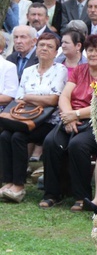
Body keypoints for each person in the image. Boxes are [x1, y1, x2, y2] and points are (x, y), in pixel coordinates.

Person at [40, 33, 97, 211]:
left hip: (95, 123)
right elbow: (64, 95)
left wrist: (76, 114)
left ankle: (81, 196)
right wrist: (68, 115)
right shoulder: (80, 70)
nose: (93, 54)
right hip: (71, 117)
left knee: (78, 145)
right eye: (90, 50)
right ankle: (51, 193)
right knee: (51, 142)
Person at [0, 34, 67, 203]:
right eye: (41, 45)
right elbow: (18, 98)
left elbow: (53, 100)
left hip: (48, 121)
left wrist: (30, 96)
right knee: (5, 135)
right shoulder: (29, 71)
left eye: (49, 46)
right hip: (24, 118)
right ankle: (8, 182)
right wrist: (38, 97)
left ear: (55, 52)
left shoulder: (60, 70)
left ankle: (19, 185)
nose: (44, 48)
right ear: (36, 48)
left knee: (18, 137)